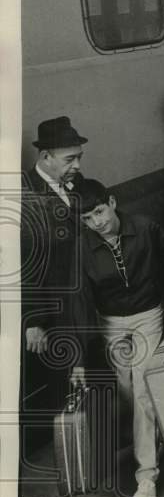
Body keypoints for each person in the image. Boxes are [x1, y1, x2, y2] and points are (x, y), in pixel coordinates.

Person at [69, 178, 164, 497]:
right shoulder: (83, 247)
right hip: (111, 324)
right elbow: (79, 302)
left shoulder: (145, 228)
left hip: (148, 315)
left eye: (99, 212)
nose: (97, 223)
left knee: (142, 389)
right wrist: (77, 360)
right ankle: (155, 437)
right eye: (88, 219)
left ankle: (146, 478)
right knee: (128, 392)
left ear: (112, 201)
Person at [20, 117, 87, 471]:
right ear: (45, 157)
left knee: (78, 380)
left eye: (78, 157)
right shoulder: (25, 193)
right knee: (60, 388)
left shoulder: (73, 185)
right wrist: (33, 322)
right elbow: (23, 264)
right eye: (69, 159)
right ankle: (68, 467)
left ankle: (83, 460)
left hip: (76, 300)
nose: (77, 165)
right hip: (49, 310)